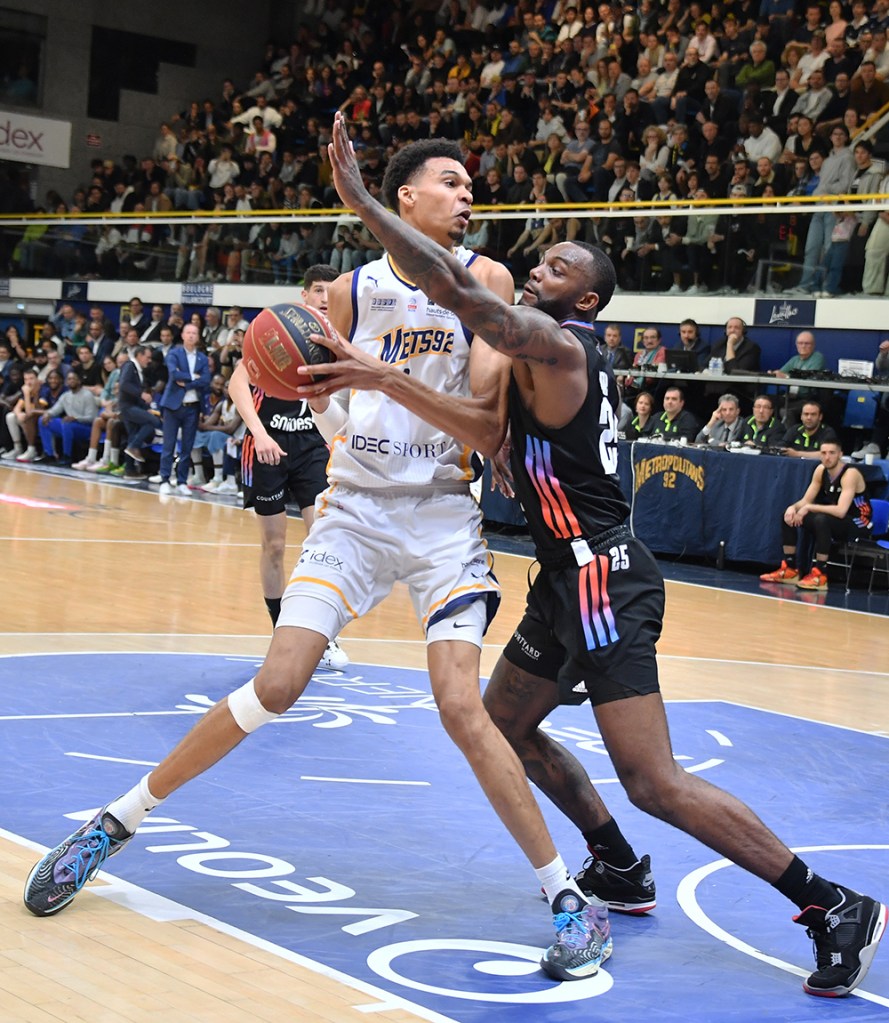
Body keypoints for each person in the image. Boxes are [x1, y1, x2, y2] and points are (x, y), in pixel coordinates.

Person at [302, 114, 887, 998]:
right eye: (542, 260)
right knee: (503, 722)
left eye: (560, 269)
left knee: (654, 778)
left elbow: (464, 297)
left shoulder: (560, 346)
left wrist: (364, 204)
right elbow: (485, 394)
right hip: (562, 579)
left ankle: (828, 902)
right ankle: (614, 860)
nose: (539, 268)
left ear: (583, 302)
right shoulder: (539, 353)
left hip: (603, 578)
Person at [24, 138, 611, 985]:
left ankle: (564, 899)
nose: (466, 194)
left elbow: (484, 426)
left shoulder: (486, 285)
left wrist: (381, 376)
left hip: (444, 516)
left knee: (459, 706)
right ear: (404, 200)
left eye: (471, 184)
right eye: (449, 182)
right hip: (356, 512)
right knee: (277, 683)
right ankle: (112, 824)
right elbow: (313, 389)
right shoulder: (350, 290)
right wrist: (340, 425)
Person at [228, 264, 349, 671]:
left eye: (331, 292)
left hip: (313, 446)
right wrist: (259, 433)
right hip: (268, 444)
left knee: (323, 541)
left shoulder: (341, 338)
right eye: (318, 290)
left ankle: (320, 637)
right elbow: (236, 383)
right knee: (275, 546)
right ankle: (280, 629)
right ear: (304, 297)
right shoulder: (278, 330)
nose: (324, 298)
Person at [761, 439, 873, 590]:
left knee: (821, 520)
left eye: (832, 453)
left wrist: (809, 508)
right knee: (788, 516)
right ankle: (790, 568)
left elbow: (841, 511)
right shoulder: (820, 470)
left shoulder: (850, 474)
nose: (827, 457)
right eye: (824, 453)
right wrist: (793, 507)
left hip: (859, 521)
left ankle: (820, 573)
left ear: (840, 454)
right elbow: (806, 500)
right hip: (836, 518)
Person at [156, 324, 211, 496]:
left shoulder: (202, 358)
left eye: (194, 333)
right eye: (188, 333)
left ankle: (181, 481)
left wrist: (188, 382)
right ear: (182, 335)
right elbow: (174, 374)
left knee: (187, 447)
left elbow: (206, 380)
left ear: (198, 336)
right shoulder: (174, 353)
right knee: (169, 445)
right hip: (173, 406)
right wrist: (194, 377)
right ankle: (165, 479)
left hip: (192, 408)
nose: (191, 336)